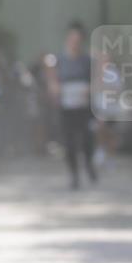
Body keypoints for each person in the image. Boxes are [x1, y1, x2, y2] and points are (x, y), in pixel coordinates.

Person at [46, 21, 98, 189]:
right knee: (69, 142)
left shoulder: (87, 60)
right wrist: (55, 89)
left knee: (87, 139)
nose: (74, 43)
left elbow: (96, 79)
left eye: (77, 40)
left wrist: (90, 89)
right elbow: (52, 81)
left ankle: (89, 163)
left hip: (84, 106)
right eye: (72, 40)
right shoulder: (59, 60)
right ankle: (74, 174)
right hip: (66, 106)